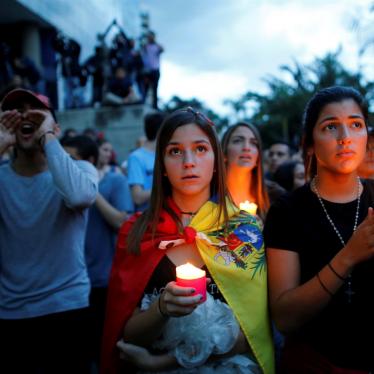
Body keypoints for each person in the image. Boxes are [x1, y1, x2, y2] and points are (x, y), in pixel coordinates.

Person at [101, 107, 275, 374]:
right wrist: (161, 308)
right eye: (175, 151)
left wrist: (165, 362)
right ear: (162, 166)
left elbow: (251, 332)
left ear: (217, 161)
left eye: (201, 149)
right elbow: (129, 336)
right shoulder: (136, 230)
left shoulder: (244, 231)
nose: (189, 161)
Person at [264, 86, 374, 373]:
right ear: (309, 144)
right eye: (330, 127)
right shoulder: (288, 212)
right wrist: (348, 256)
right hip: (315, 362)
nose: (345, 138)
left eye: (355, 125)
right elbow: (285, 317)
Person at [0, 88, 98, 373]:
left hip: (66, 306)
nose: (24, 117)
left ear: (55, 126)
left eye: (35, 112)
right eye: (15, 112)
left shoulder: (80, 169)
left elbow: (79, 196)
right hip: (11, 311)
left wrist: (48, 138)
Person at [221, 122, 285, 221]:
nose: (246, 147)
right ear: (224, 152)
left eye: (253, 143)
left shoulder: (275, 195)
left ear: (258, 156)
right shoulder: (209, 195)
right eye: (238, 141)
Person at [127, 110, 165, 211]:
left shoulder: (166, 154)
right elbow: (137, 197)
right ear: (161, 130)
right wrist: (166, 186)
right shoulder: (136, 157)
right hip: (149, 220)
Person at [141, 30, 164, 109]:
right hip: (147, 71)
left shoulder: (157, 46)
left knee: (155, 88)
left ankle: (155, 106)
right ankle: (144, 103)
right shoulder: (145, 46)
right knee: (146, 87)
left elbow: (162, 49)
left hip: (155, 70)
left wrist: (155, 42)